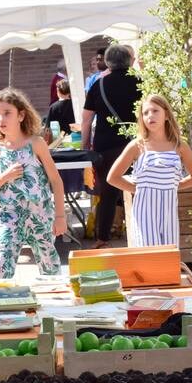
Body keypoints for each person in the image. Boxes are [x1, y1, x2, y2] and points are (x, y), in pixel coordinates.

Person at [0, 88, 66, 279]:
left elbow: (56, 180)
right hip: (9, 216)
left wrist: (60, 216)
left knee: (49, 267)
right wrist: (4, 177)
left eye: (7, 113)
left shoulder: (36, 143)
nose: (1, 119)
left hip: (40, 214)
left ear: (21, 115)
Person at [105, 94, 192, 247]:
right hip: (144, 213)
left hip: (169, 214)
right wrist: (137, 189)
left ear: (166, 114)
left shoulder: (179, 145)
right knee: (150, 258)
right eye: (145, 113)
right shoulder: (137, 145)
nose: (150, 116)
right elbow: (113, 177)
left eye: (155, 111)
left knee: (168, 258)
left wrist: (173, 186)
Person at [80, 43, 142, 248]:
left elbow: (87, 119)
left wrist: (85, 144)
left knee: (107, 192)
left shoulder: (98, 84)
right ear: (129, 61)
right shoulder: (140, 82)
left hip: (106, 145)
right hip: (136, 143)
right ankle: (142, 233)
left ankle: (102, 238)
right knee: (139, 188)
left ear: (107, 62)